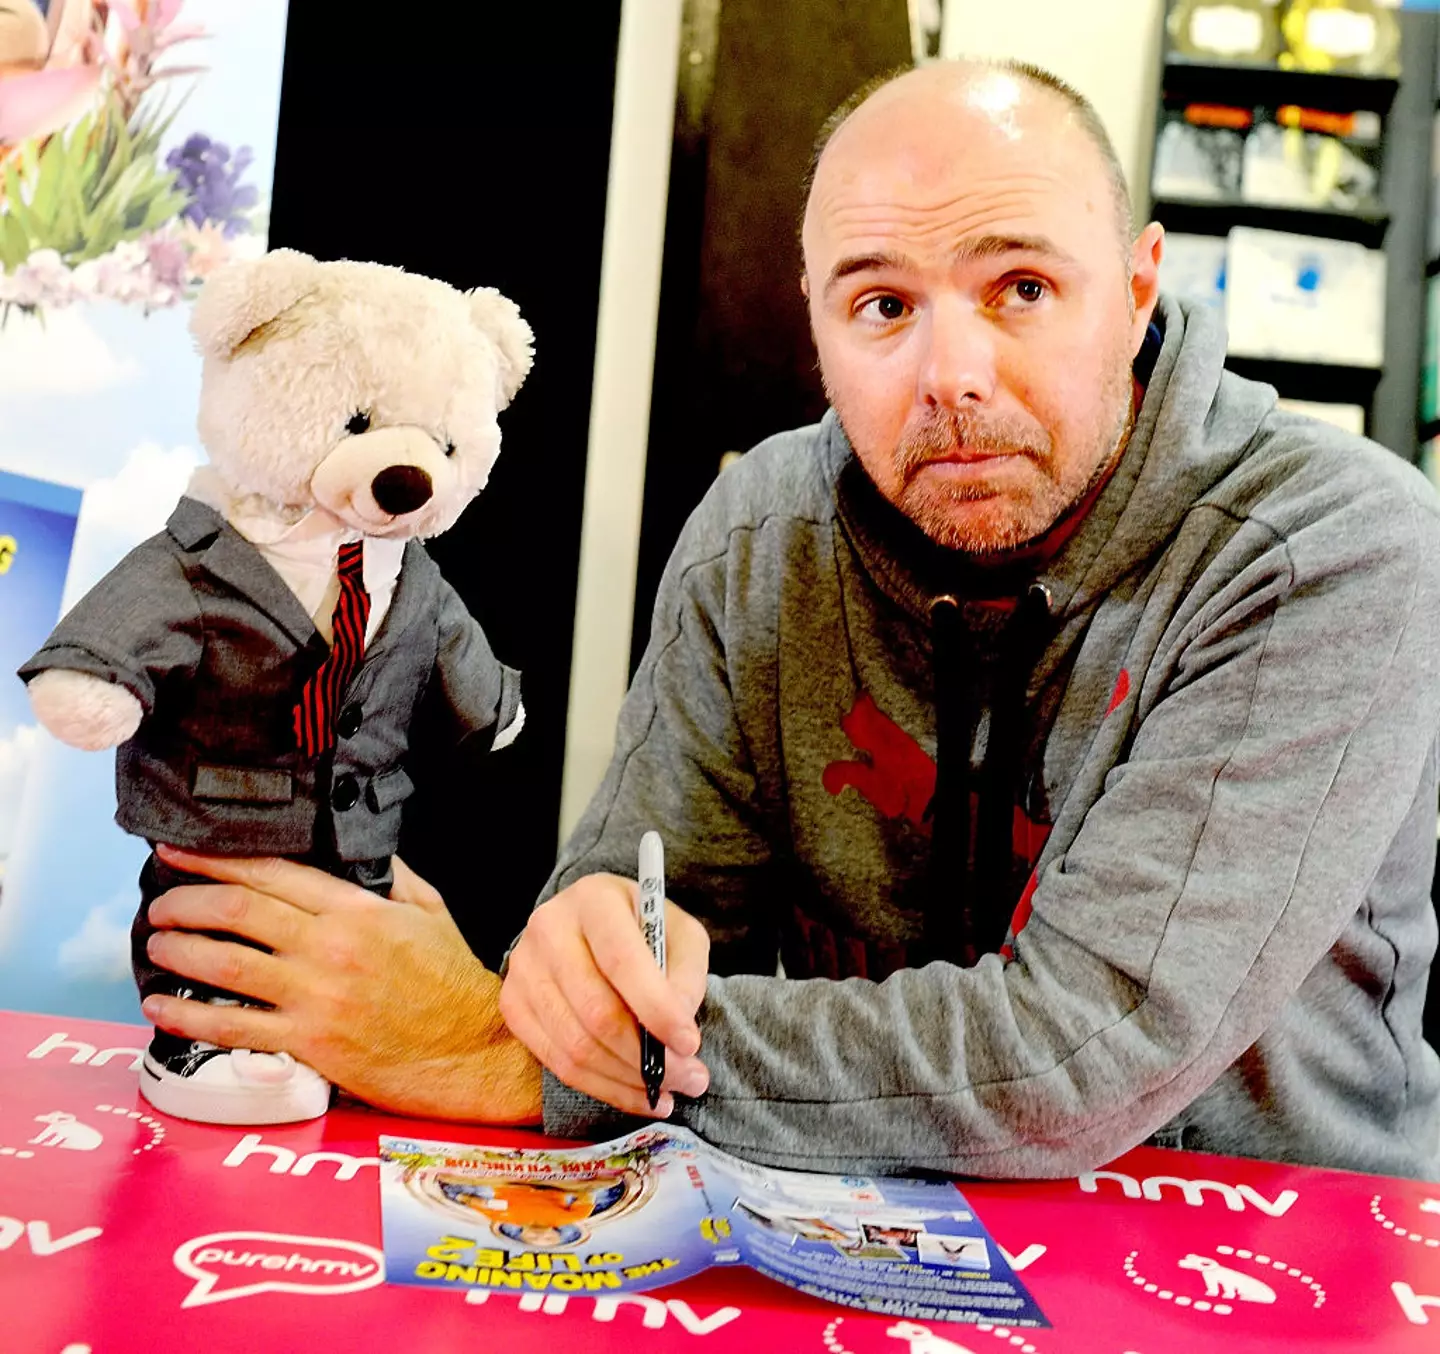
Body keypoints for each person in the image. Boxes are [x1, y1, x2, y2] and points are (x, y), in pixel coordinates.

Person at [140, 58, 1440, 1179]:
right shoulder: (762, 527)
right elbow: (632, 897)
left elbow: (1086, 1047)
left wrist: (520, 1051)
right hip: (850, 1214)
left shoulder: (1326, 547)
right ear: (814, 318)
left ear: (1142, 285)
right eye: (881, 304)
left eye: (1023, 288)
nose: (952, 378)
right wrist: (592, 949)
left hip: (1270, 1255)